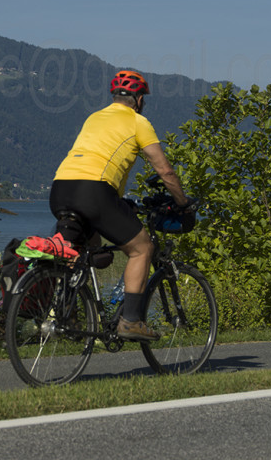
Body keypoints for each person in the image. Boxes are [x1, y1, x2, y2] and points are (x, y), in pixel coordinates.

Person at [49, 69, 189, 341]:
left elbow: (94, 158)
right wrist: (182, 202)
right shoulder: (138, 122)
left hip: (61, 188)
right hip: (95, 191)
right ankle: (131, 321)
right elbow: (165, 171)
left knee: (85, 252)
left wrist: (118, 201)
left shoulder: (94, 117)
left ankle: (67, 314)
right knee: (142, 248)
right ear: (138, 99)